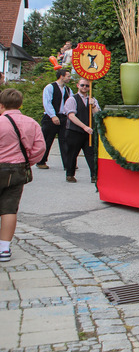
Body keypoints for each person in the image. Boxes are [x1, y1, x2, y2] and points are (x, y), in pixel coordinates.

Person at [0, 89, 45, 262]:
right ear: (20, 104)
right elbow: (40, 148)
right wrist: (28, 161)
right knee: (10, 208)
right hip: (18, 168)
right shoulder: (31, 123)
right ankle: (4, 249)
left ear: (2, 104)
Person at [62, 77, 101, 184]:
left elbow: (97, 115)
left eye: (87, 86)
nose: (85, 87)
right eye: (82, 85)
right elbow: (71, 116)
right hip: (74, 131)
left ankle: (94, 175)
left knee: (91, 153)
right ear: (78, 86)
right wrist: (85, 127)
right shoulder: (72, 99)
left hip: (88, 132)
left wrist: (93, 106)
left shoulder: (92, 99)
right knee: (72, 154)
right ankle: (70, 174)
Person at [38, 68, 73, 170]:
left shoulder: (68, 89)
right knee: (47, 140)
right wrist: (53, 115)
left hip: (63, 116)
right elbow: (47, 102)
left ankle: (68, 164)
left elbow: (69, 103)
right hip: (50, 117)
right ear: (61, 76)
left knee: (65, 140)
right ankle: (41, 161)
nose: (69, 78)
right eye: (68, 76)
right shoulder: (50, 87)